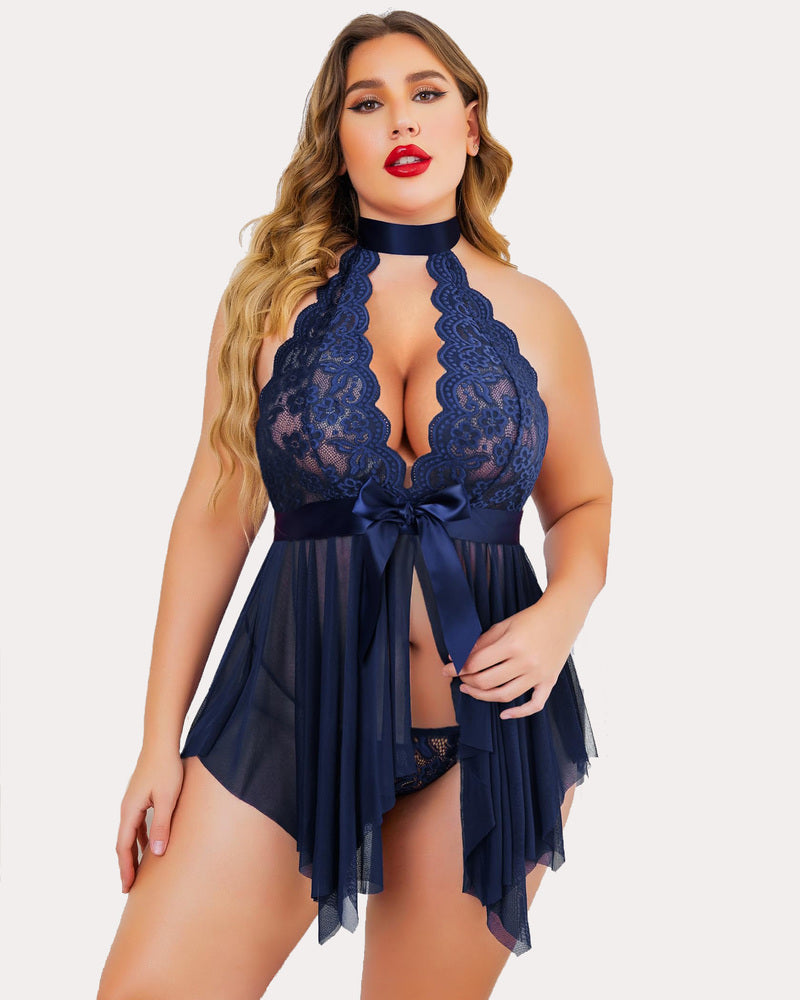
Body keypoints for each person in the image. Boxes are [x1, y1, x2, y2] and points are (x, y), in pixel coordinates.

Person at [97, 10, 612, 999]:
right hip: (289, 712)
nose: (400, 120)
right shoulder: (269, 302)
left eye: (426, 94)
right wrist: (158, 739)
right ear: (337, 141)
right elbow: (215, 513)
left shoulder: (540, 314)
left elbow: (583, 501)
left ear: (470, 125)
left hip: (492, 728)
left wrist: (561, 612)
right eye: (366, 104)